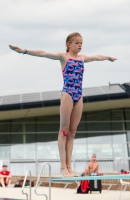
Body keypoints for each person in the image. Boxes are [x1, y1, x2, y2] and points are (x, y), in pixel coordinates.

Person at [9, 32, 117, 177]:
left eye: (81, 43)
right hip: (67, 94)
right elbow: (43, 53)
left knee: (72, 132)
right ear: (69, 44)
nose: (80, 45)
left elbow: (97, 57)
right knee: (64, 130)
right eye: (77, 42)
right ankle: (62, 167)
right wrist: (25, 51)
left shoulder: (82, 58)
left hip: (79, 95)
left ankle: (69, 166)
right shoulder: (63, 57)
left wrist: (108, 58)